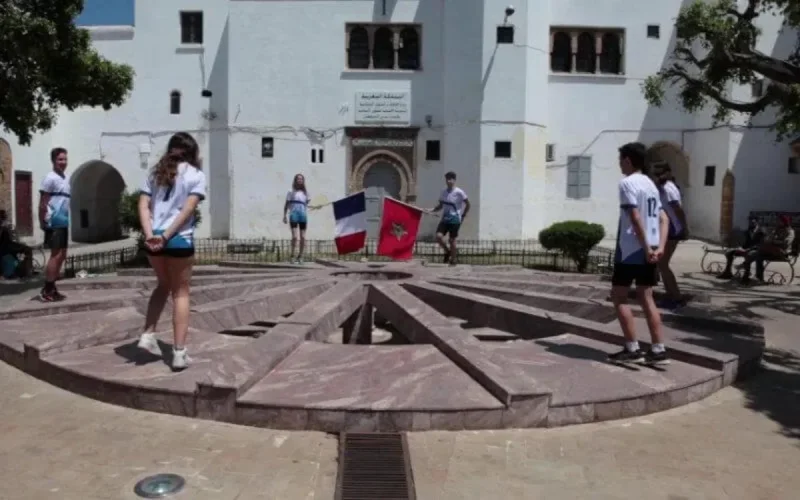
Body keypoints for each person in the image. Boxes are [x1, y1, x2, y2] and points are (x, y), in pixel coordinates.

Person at [136, 132, 206, 371]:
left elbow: (143, 205)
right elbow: (187, 210)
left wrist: (151, 236)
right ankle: (179, 353)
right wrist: (167, 237)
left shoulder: (155, 174)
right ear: (192, 151)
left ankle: (147, 335)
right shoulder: (196, 175)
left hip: (153, 240)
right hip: (178, 241)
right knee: (181, 293)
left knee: (162, 285)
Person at [608, 142, 670, 365]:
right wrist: (659, 248)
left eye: (620, 160)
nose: (619, 165)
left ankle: (632, 348)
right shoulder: (651, 185)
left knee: (619, 296)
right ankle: (658, 349)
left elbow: (634, 218)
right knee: (646, 297)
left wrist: (644, 248)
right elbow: (664, 219)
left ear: (627, 160)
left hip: (631, 250)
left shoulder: (627, 184)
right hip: (652, 249)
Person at [652, 164, 688, 309]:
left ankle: (677, 297)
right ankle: (671, 295)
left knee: (663, 264)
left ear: (668, 172)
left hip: (672, 230)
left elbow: (678, 210)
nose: (658, 176)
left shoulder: (669, 188)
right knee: (662, 264)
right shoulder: (662, 188)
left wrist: (684, 228)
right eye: (656, 173)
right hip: (666, 229)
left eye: (661, 173)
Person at [38, 147, 70, 301]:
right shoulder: (49, 178)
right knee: (55, 255)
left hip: (63, 221)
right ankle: (48, 290)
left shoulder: (65, 178)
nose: (63, 162)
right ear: (53, 161)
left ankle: (52, 286)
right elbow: (43, 201)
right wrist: (41, 221)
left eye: (65, 159)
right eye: (60, 159)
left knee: (63, 254)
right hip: (53, 221)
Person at [739, 214, 795, 285]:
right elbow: (768, 239)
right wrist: (772, 237)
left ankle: (746, 267)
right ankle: (752, 276)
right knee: (756, 256)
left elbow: (786, 242)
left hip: (782, 252)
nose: (777, 222)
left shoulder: (790, 231)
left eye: (779, 221)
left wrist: (774, 241)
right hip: (771, 251)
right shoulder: (777, 229)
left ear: (784, 222)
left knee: (757, 252)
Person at [429, 171, 470, 266]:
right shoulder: (443, 192)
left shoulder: (459, 192)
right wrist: (430, 210)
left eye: (451, 179)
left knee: (452, 240)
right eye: (447, 179)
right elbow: (440, 206)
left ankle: (454, 259)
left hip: (455, 219)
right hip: (445, 219)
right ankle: (447, 252)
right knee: (438, 236)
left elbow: (468, 204)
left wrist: (463, 214)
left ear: (454, 180)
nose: (449, 181)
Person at [283, 174, 309, 264]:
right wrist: (284, 215)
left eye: (301, 179)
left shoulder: (305, 192)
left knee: (303, 236)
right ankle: (292, 255)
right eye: (298, 179)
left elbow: (307, 202)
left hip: (302, 215)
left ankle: (301, 256)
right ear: (295, 180)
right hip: (293, 214)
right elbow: (286, 204)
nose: (300, 180)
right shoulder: (290, 191)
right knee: (294, 236)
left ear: (303, 181)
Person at [0, 210, 33, 279]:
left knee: (22, 250)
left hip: (6, 246)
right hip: (5, 248)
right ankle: (27, 272)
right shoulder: (4, 226)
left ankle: (22, 270)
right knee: (27, 249)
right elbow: (7, 240)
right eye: (4, 215)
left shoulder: (5, 226)